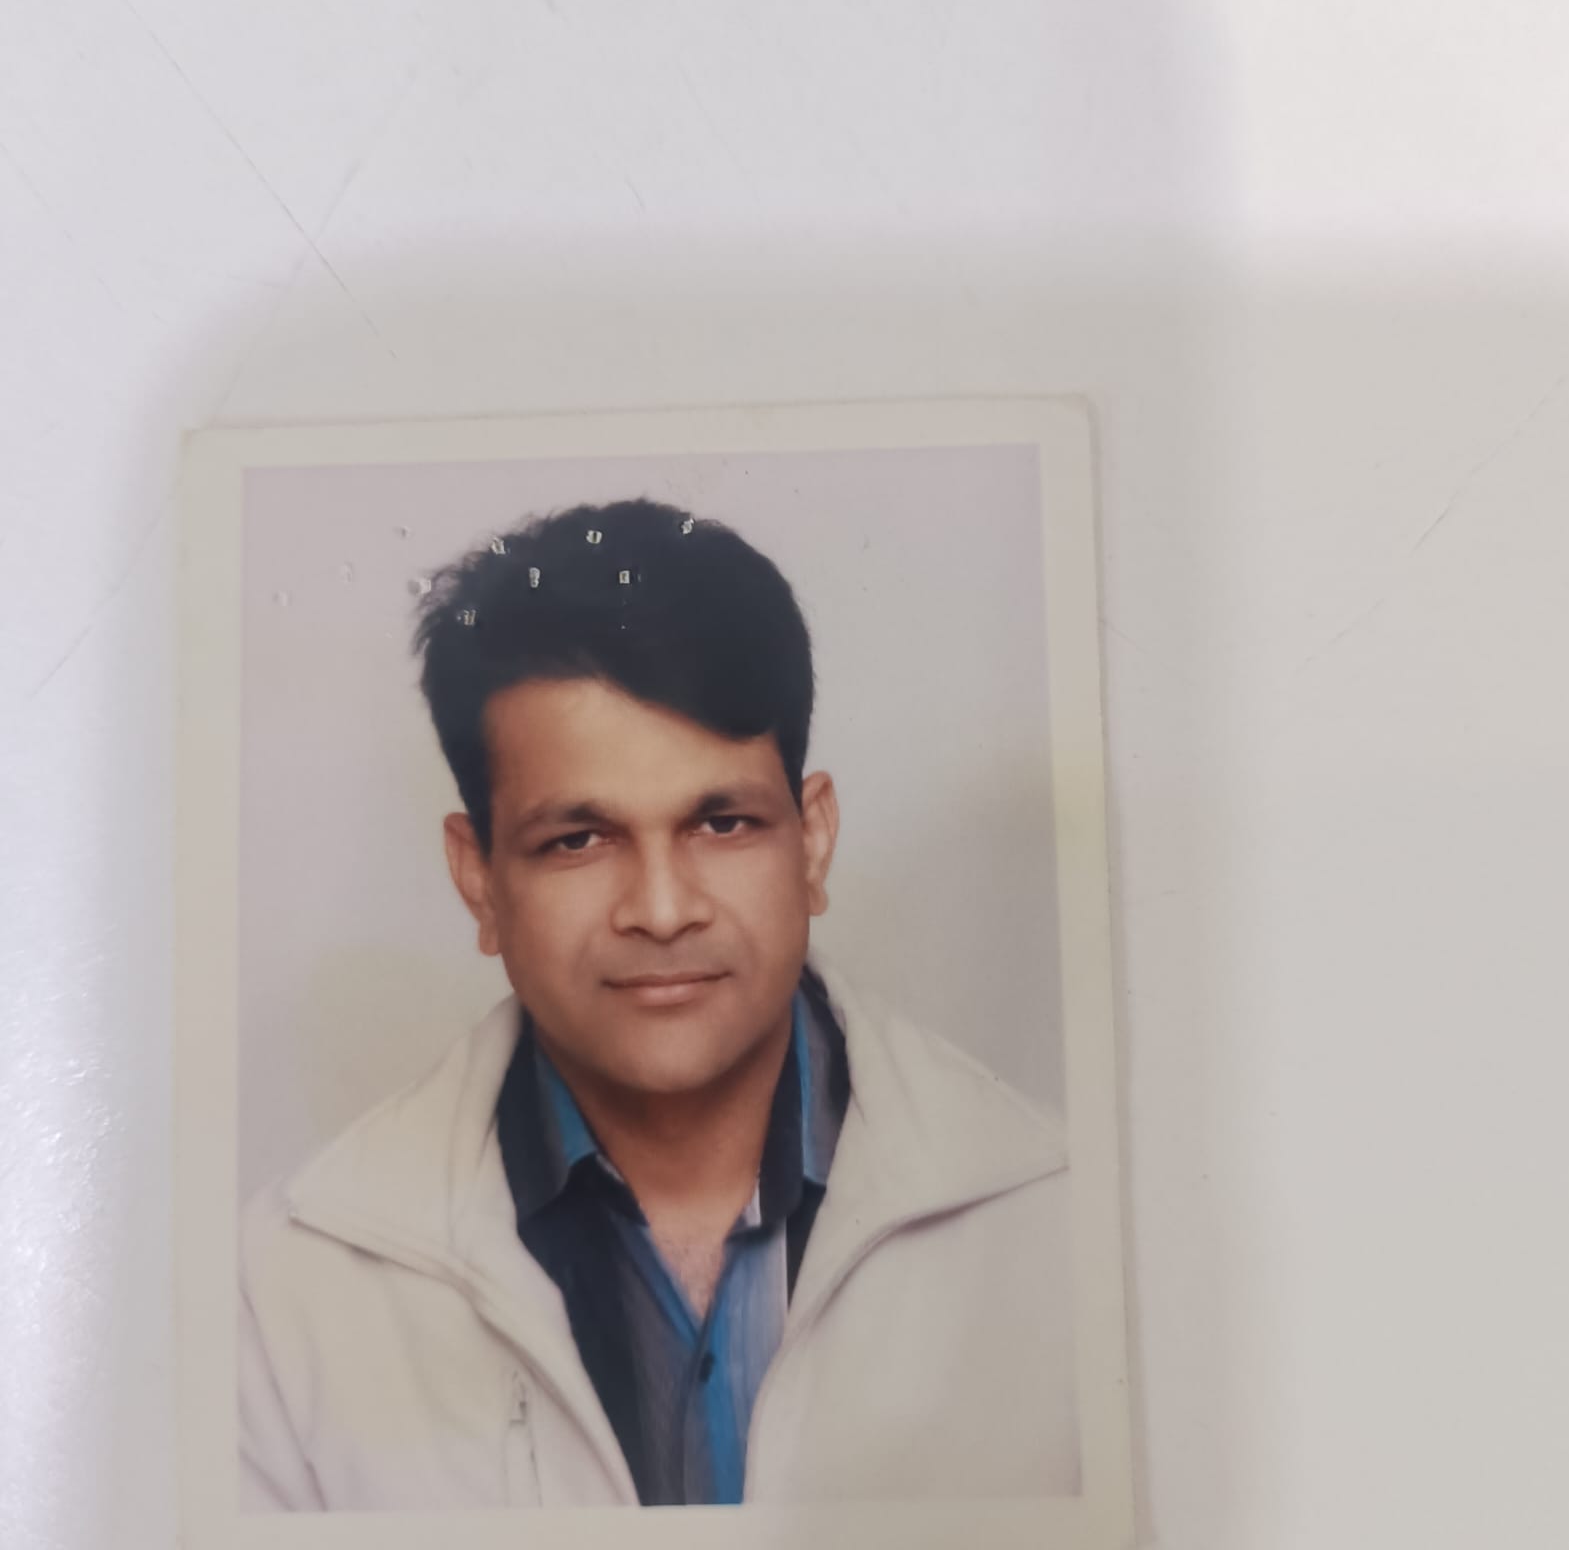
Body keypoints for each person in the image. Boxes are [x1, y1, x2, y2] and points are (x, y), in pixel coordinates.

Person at [238, 497, 1079, 1510]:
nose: (664, 909)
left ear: (812, 842)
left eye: (721, 823)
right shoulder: (283, 1290)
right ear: (478, 879)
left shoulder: (1068, 1223)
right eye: (578, 840)